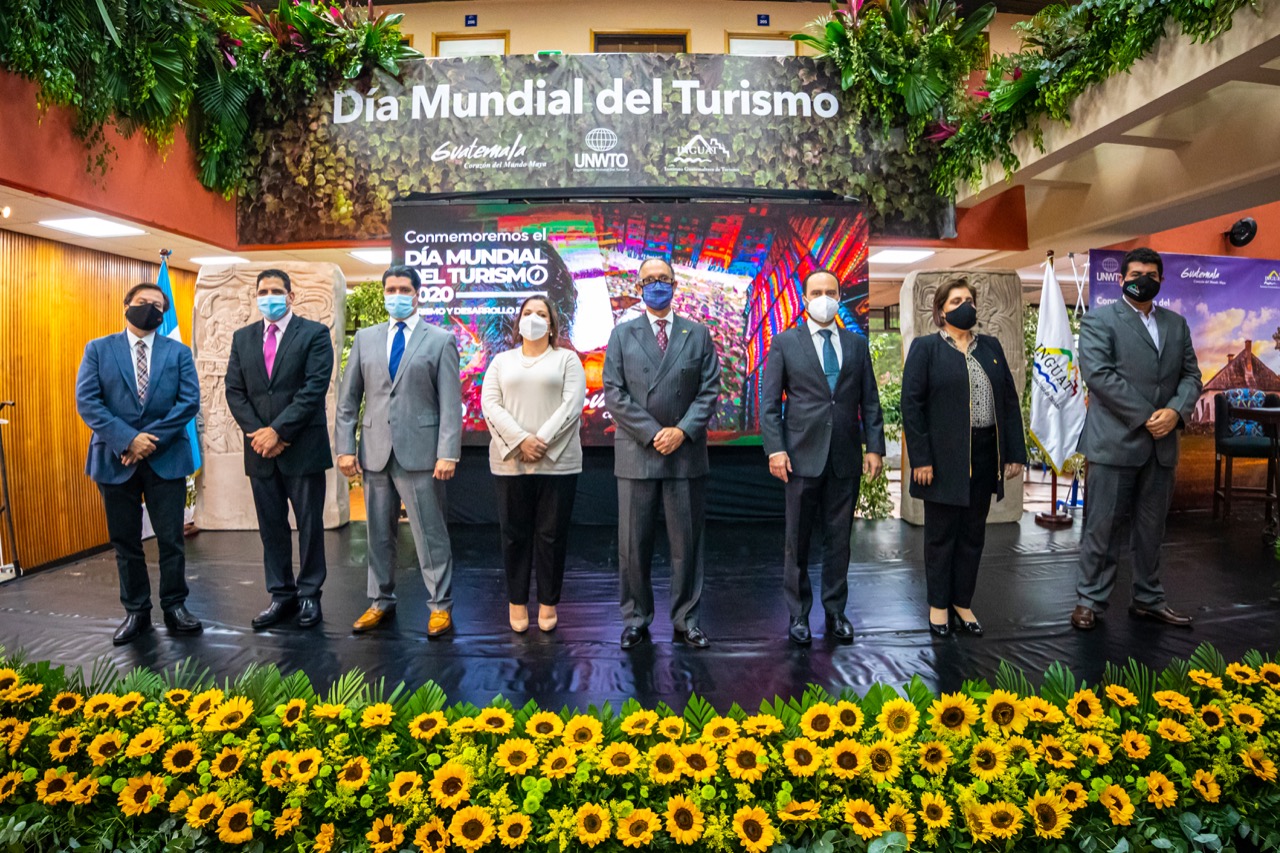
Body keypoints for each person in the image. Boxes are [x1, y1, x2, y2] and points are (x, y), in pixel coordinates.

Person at [1071, 247, 1202, 630]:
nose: (1143, 280)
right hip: (1114, 443)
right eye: (1135, 274)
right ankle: (1089, 601)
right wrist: (1148, 417)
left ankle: (1148, 598)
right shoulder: (1099, 320)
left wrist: (1175, 412)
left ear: (1161, 280)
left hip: (1162, 447)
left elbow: (1191, 376)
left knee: (1151, 529)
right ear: (1121, 279)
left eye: (1151, 275)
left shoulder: (1177, 324)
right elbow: (1099, 375)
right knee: (1103, 527)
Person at [760, 269, 885, 645]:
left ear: (839, 296)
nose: (824, 298)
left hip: (845, 456)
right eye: (817, 292)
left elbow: (870, 401)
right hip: (800, 457)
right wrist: (776, 449)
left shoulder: (856, 344)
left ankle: (835, 612)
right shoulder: (785, 342)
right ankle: (798, 615)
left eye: (831, 291)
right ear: (804, 299)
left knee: (839, 539)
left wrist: (874, 447)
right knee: (797, 541)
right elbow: (769, 404)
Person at [336, 265, 462, 638]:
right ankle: (380, 601)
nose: (396, 295)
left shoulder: (440, 340)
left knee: (430, 534)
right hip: (374, 452)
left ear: (417, 294)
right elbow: (348, 401)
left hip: (422, 454)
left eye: (404, 289)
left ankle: (440, 606)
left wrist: (448, 452)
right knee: (377, 534)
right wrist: (345, 448)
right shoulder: (365, 339)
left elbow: (450, 404)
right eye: (390, 289)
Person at [74, 282, 203, 645]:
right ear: (126, 305)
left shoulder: (178, 352)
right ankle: (137, 611)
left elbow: (188, 402)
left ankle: (175, 606)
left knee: (171, 540)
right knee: (125, 541)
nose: (150, 308)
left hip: (166, 458)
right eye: (143, 302)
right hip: (115, 459)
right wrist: (128, 439)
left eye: (158, 305)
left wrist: (146, 442)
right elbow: (88, 401)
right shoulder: (98, 349)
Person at [603, 257, 721, 649]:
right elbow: (614, 393)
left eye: (664, 278)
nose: (657, 285)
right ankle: (635, 618)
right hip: (638, 453)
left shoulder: (697, 333)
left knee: (687, 546)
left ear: (675, 285)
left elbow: (709, 390)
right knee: (633, 546)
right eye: (650, 280)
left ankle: (687, 618)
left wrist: (681, 431)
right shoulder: (622, 334)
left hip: (685, 454)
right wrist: (654, 433)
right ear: (638, 288)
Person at [901, 277, 1026, 638]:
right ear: (941, 310)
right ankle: (939, 605)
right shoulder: (926, 349)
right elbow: (911, 406)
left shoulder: (991, 346)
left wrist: (1014, 452)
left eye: (969, 299)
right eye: (955, 301)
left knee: (973, 535)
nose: (964, 305)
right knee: (941, 537)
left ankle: (962, 602)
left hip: (985, 454)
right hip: (941, 460)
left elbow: (1008, 401)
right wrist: (921, 459)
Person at [224, 269, 335, 630]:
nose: (268, 296)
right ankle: (281, 595)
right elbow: (234, 391)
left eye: (276, 290)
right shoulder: (242, 338)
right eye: (263, 291)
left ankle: (309, 595)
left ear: (290, 295)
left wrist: (279, 432)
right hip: (259, 450)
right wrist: (260, 434)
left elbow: (314, 388)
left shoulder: (314, 334)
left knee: (309, 526)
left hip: (302, 447)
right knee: (271, 528)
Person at [481, 296, 586, 633]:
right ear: (518, 322)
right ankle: (516, 602)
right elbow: (490, 404)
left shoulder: (567, 360)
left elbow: (572, 405)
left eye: (541, 313)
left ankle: (548, 603)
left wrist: (540, 441)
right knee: (514, 535)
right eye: (528, 313)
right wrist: (520, 441)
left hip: (558, 463)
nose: (534, 318)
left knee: (551, 536)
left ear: (552, 324)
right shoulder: (501, 361)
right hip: (511, 462)